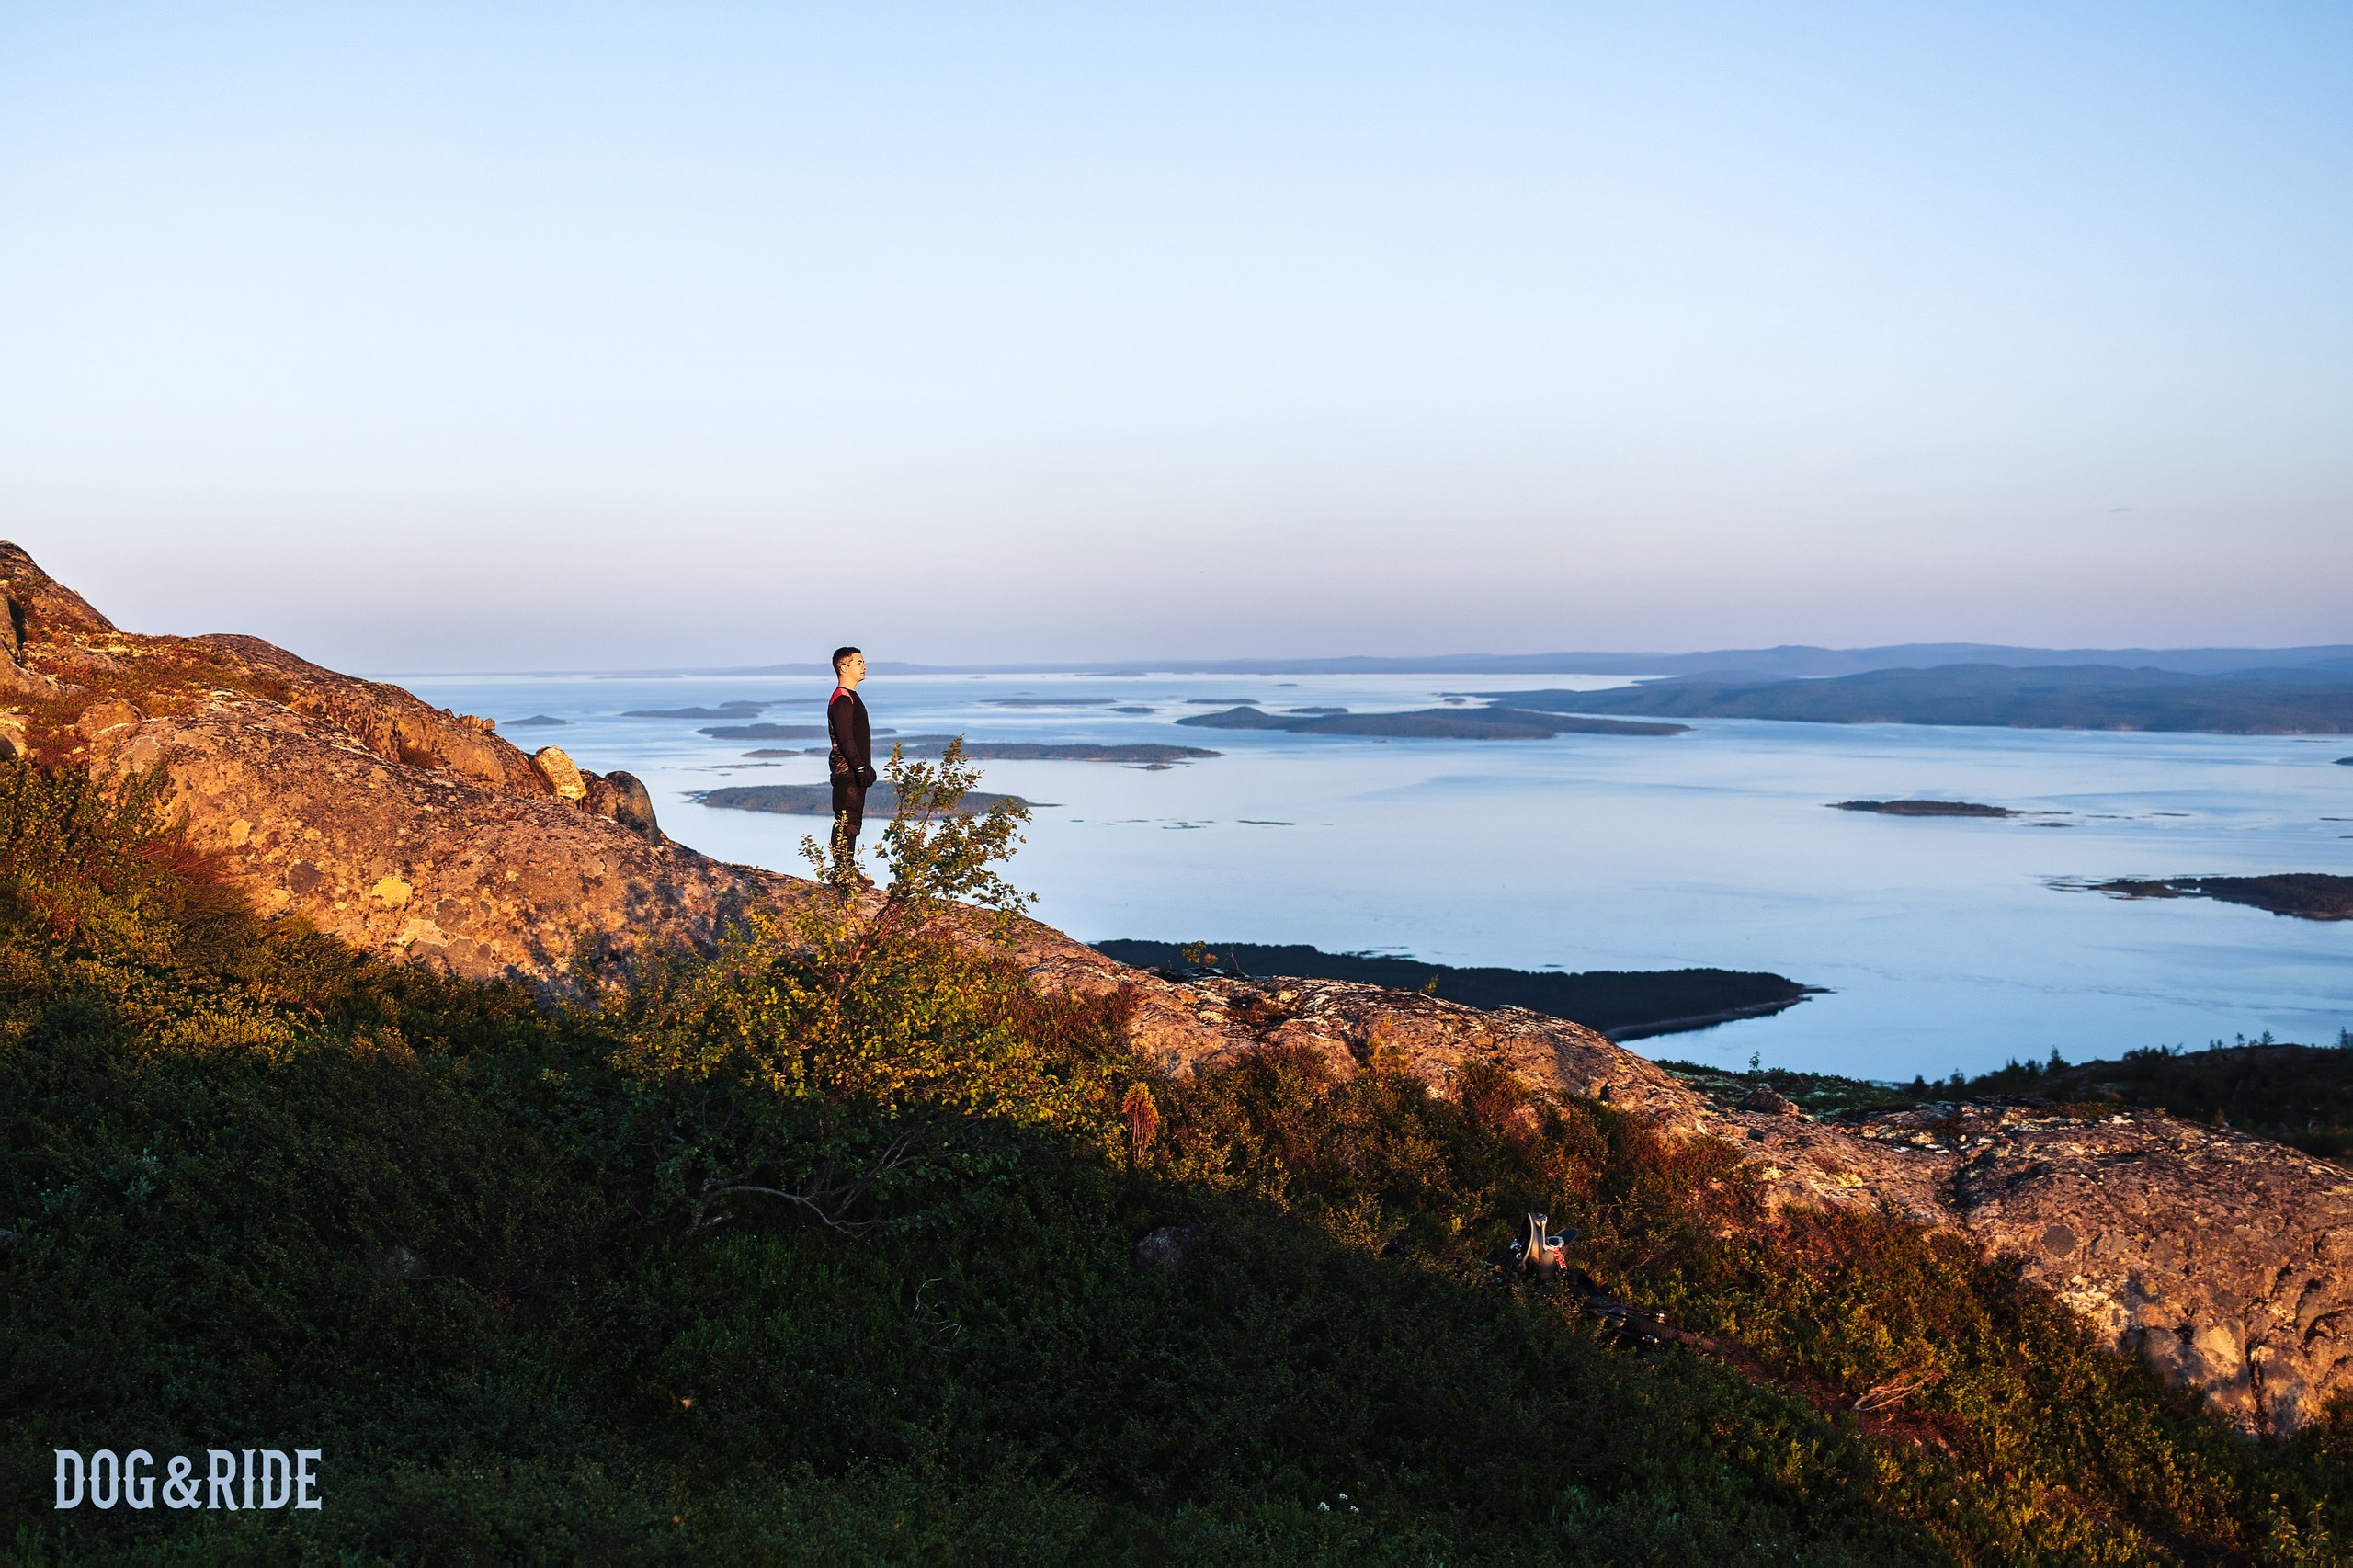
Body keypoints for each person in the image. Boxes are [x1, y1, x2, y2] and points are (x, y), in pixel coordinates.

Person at [826, 646, 877, 885]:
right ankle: (843, 874)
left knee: (852, 821)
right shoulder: (842, 699)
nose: (864, 666)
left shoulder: (850, 696)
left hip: (852, 772)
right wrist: (859, 768)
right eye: (859, 662)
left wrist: (865, 767)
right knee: (847, 822)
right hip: (847, 773)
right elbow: (846, 738)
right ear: (843, 667)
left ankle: (847, 872)